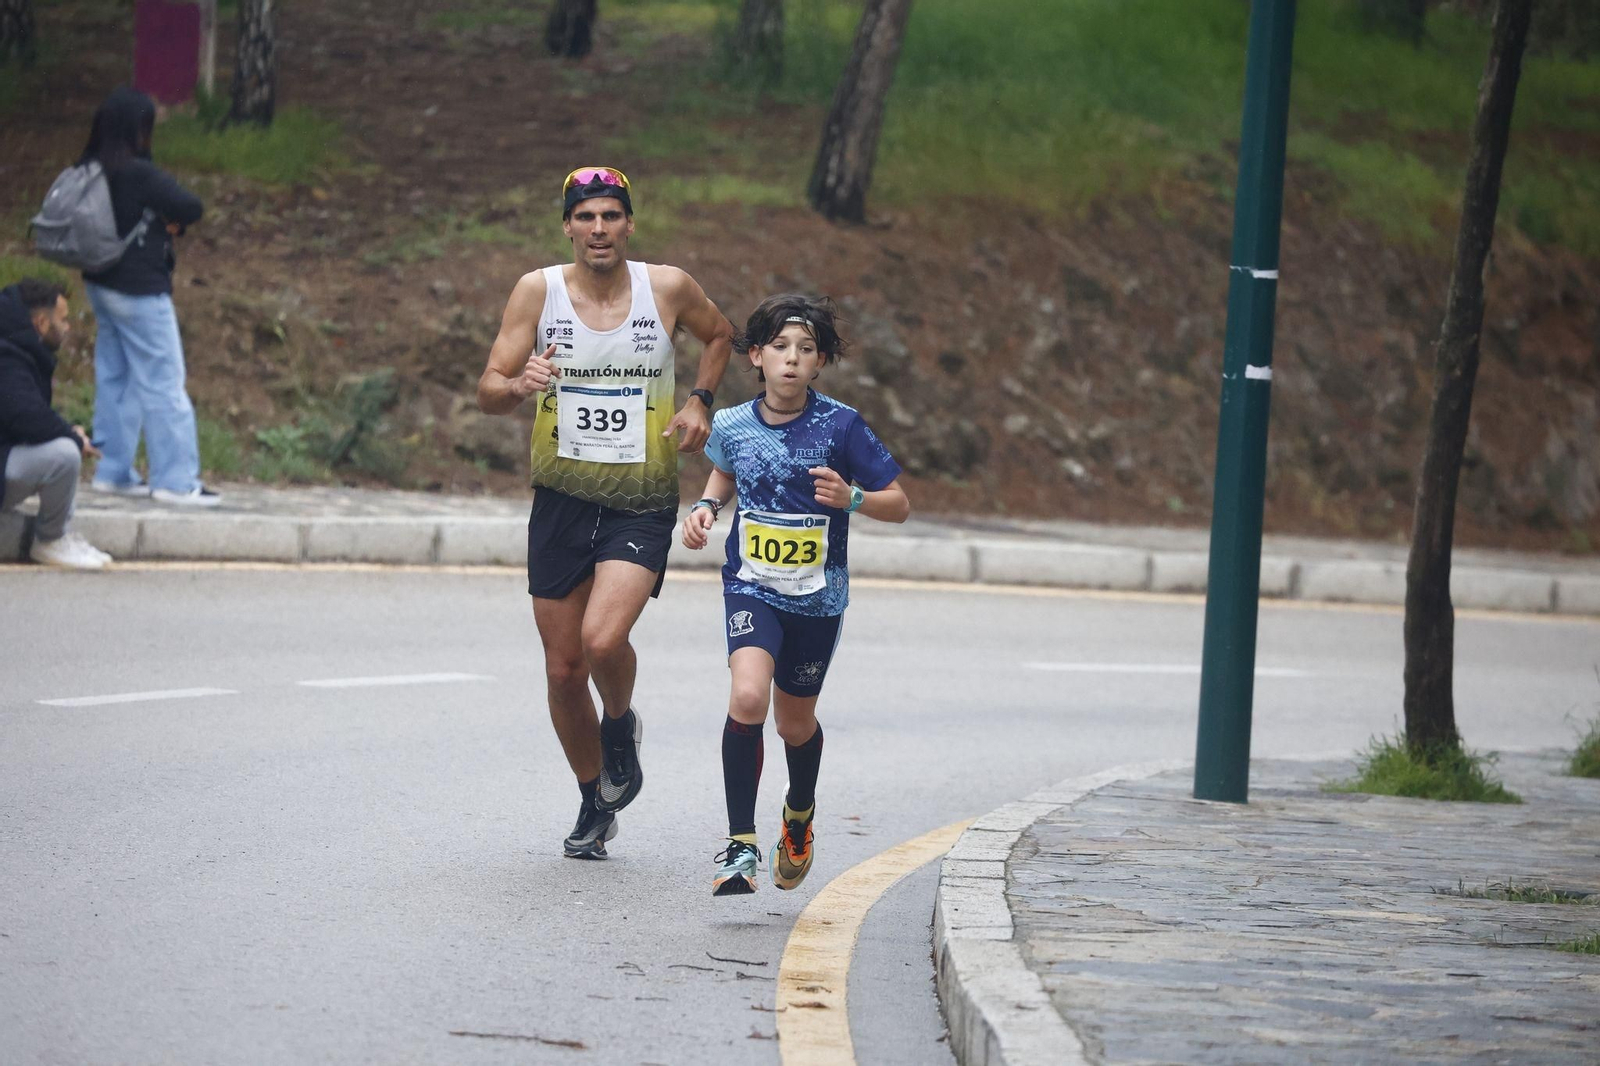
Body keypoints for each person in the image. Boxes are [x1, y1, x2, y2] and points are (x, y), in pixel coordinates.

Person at [477, 166, 735, 859]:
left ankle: (618, 723)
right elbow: (489, 388)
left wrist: (699, 401)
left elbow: (721, 335)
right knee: (562, 670)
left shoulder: (668, 287)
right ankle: (595, 799)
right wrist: (517, 383)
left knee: (599, 641)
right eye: (585, 216)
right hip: (561, 497)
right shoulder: (539, 291)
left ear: (629, 224)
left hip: (639, 499)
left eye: (611, 216)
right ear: (567, 225)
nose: (599, 229)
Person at [680, 294, 910, 896]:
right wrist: (706, 506)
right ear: (755, 356)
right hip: (751, 587)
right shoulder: (730, 424)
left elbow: (900, 504)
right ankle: (740, 845)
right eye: (780, 347)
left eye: (806, 350)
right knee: (748, 696)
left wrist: (853, 499)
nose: (791, 359)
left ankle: (799, 815)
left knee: (795, 723)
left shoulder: (842, 426)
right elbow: (727, 469)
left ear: (820, 363)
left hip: (817, 599)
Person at [78, 86, 218, 507]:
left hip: (100, 285)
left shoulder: (91, 167)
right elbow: (191, 206)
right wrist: (171, 219)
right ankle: (175, 480)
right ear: (138, 128)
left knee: (116, 378)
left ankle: (113, 470)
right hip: (140, 292)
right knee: (163, 382)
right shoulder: (139, 172)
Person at [0, 279, 112, 570]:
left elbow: (25, 415)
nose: (67, 327)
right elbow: (26, 417)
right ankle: (51, 540)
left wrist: (65, 430)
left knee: (61, 442)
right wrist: (73, 439)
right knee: (63, 454)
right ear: (40, 322)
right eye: (62, 320)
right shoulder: (7, 358)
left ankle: (60, 534)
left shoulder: (16, 350)